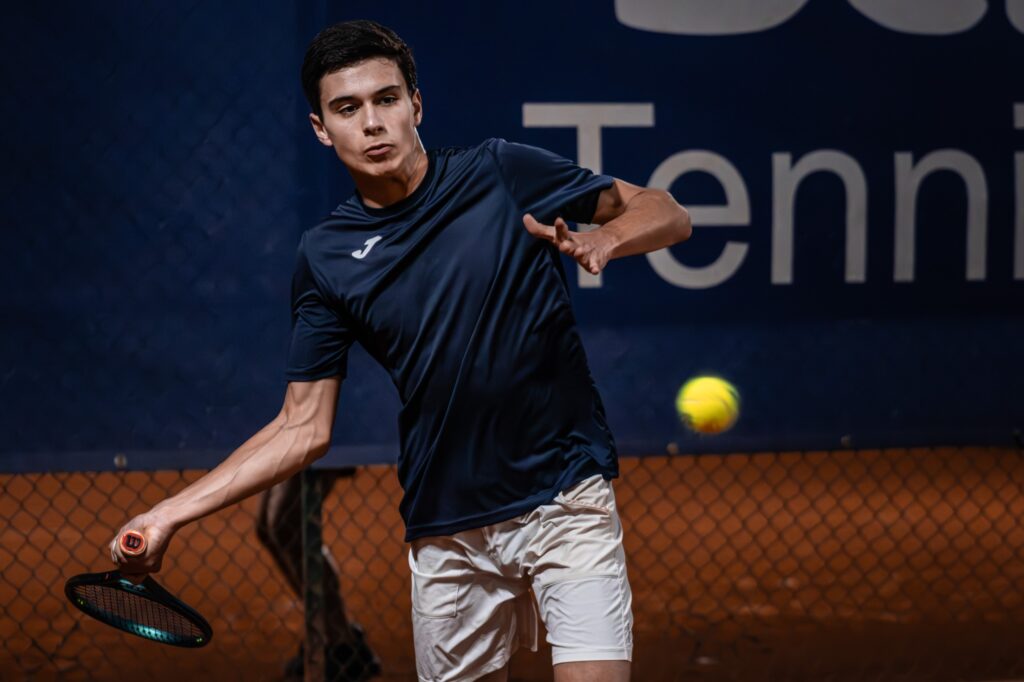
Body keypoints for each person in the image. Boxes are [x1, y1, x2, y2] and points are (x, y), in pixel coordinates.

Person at [110, 19, 691, 682]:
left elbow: (667, 210)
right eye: (347, 109)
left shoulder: (501, 171)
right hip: (447, 529)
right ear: (321, 129)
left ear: (417, 104)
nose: (373, 123)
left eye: (387, 100)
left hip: (566, 498)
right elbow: (302, 427)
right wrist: (165, 515)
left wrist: (607, 241)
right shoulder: (327, 257)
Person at [256, 471, 381, 681]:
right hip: (281, 437)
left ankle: (341, 644)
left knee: (286, 525)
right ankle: (335, 633)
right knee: (266, 529)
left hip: (319, 441)